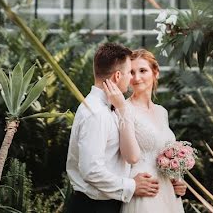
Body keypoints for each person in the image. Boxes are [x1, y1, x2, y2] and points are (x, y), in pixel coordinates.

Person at [66, 43, 160, 213]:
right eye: (129, 72)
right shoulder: (97, 114)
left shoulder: (110, 107)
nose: (131, 79)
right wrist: (131, 185)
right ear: (117, 76)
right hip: (93, 207)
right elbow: (91, 170)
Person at [103, 48, 187, 213]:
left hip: (167, 191)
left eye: (143, 70)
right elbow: (125, 157)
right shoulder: (122, 108)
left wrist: (178, 180)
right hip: (144, 191)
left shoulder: (162, 112)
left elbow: (164, 153)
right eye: (131, 72)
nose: (137, 78)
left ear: (155, 73)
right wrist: (130, 184)